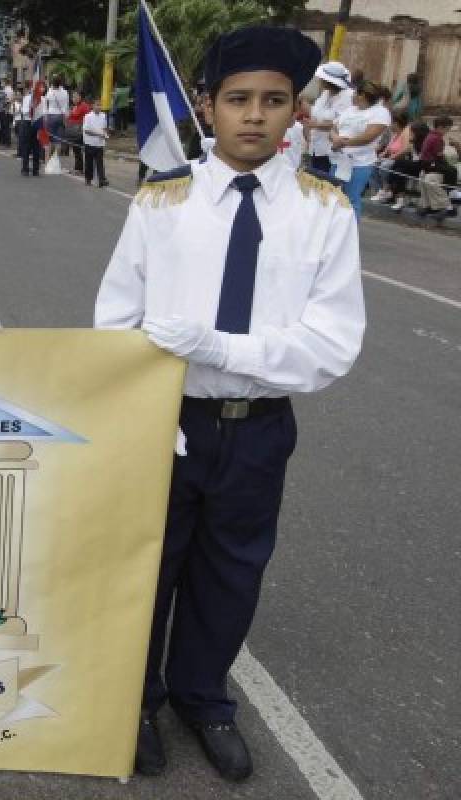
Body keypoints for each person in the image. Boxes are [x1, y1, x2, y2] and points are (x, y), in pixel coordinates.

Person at [95, 27, 364, 783]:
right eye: (237, 99)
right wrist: (142, 405)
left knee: (233, 569)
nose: (255, 116)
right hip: (165, 421)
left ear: (295, 112)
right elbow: (116, 322)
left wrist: (217, 347)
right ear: (207, 107)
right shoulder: (162, 203)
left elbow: (330, 344)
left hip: (257, 427)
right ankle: (137, 699)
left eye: (274, 101)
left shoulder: (324, 212)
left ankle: (203, 697)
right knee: (151, 566)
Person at [329, 80, 391, 221]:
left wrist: (344, 143)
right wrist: (335, 139)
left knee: (350, 198)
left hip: (359, 163)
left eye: (355, 92)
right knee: (334, 196)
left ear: (363, 95)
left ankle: (351, 233)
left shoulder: (379, 112)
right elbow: (333, 129)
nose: (352, 95)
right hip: (339, 161)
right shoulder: (349, 110)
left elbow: (369, 136)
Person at [304, 61, 353, 174]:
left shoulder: (347, 97)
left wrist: (316, 124)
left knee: (326, 180)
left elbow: (340, 122)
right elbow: (316, 113)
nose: (320, 81)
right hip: (317, 145)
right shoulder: (325, 93)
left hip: (332, 149)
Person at [81, 100, 108, 187]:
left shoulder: (103, 116)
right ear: (93, 106)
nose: (99, 107)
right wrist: (98, 134)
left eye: (100, 105)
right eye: (97, 105)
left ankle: (101, 179)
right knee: (89, 163)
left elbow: (104, 128)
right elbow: (86, 130)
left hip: (99, 143)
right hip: (89, 143)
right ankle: (88, 179)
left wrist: (105, 134)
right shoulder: (88, 116)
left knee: (100, 163)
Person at [67, 89, 91, 173]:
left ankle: (81, 168)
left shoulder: (84, 106)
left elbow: (87, 118)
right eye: (72, 97)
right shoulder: (75, 106)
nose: (73, 98)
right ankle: (78, 167)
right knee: (76, 150)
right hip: (74, 132)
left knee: (78, 150)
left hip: (80, 131)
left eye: (75, 96)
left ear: (80, 97)